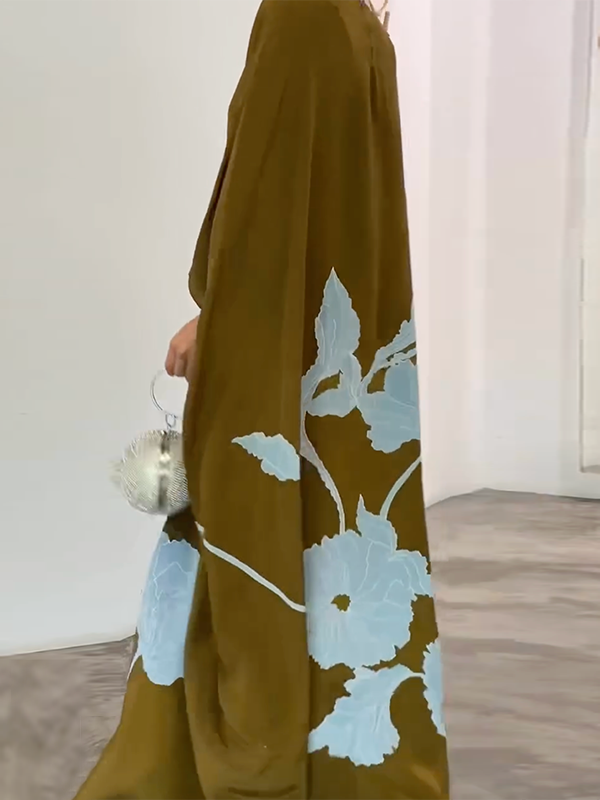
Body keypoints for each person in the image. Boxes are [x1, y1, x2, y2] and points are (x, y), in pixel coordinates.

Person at [75, 0, 450, 798]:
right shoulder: (359, 22)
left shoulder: (301, 13)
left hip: (285, 340)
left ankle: (249, 761)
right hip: (338, 342)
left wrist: (216, 318)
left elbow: (267, 194)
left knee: (249, 525)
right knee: (334, 530)